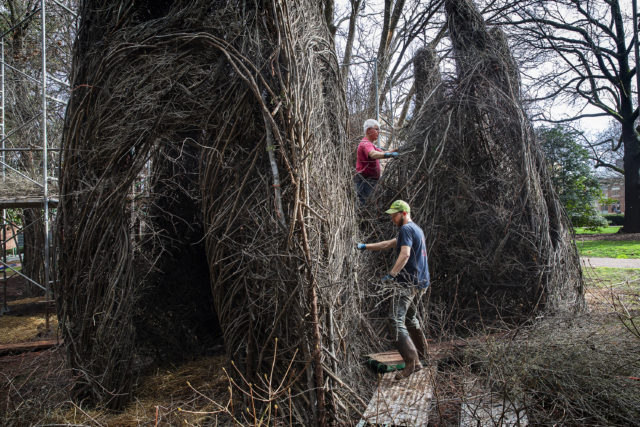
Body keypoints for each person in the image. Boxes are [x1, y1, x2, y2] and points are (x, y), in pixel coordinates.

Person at [357, 200, 430, 380]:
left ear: (404, 213)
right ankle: (422, 356)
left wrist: (391, 274)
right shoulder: (416, 230)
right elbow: (388, 244)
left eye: (394, 214)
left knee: (394, 320)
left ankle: (412, 362)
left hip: (408, 283)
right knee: (410, 319)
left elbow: (404, 254)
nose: (391, 218)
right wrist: (365, 246)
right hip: (421, 282)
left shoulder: (406, 229)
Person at [355, 119, 398, 206]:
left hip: (370, 182)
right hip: (365, 182)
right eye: (377, 129)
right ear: (368, 130)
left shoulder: (371, 145)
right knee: (366, 206)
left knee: (372, 205)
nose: (379, 132)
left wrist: (397, 150)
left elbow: (383, 152)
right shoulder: (365, 143)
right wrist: (390, 155)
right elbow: (373, 154)